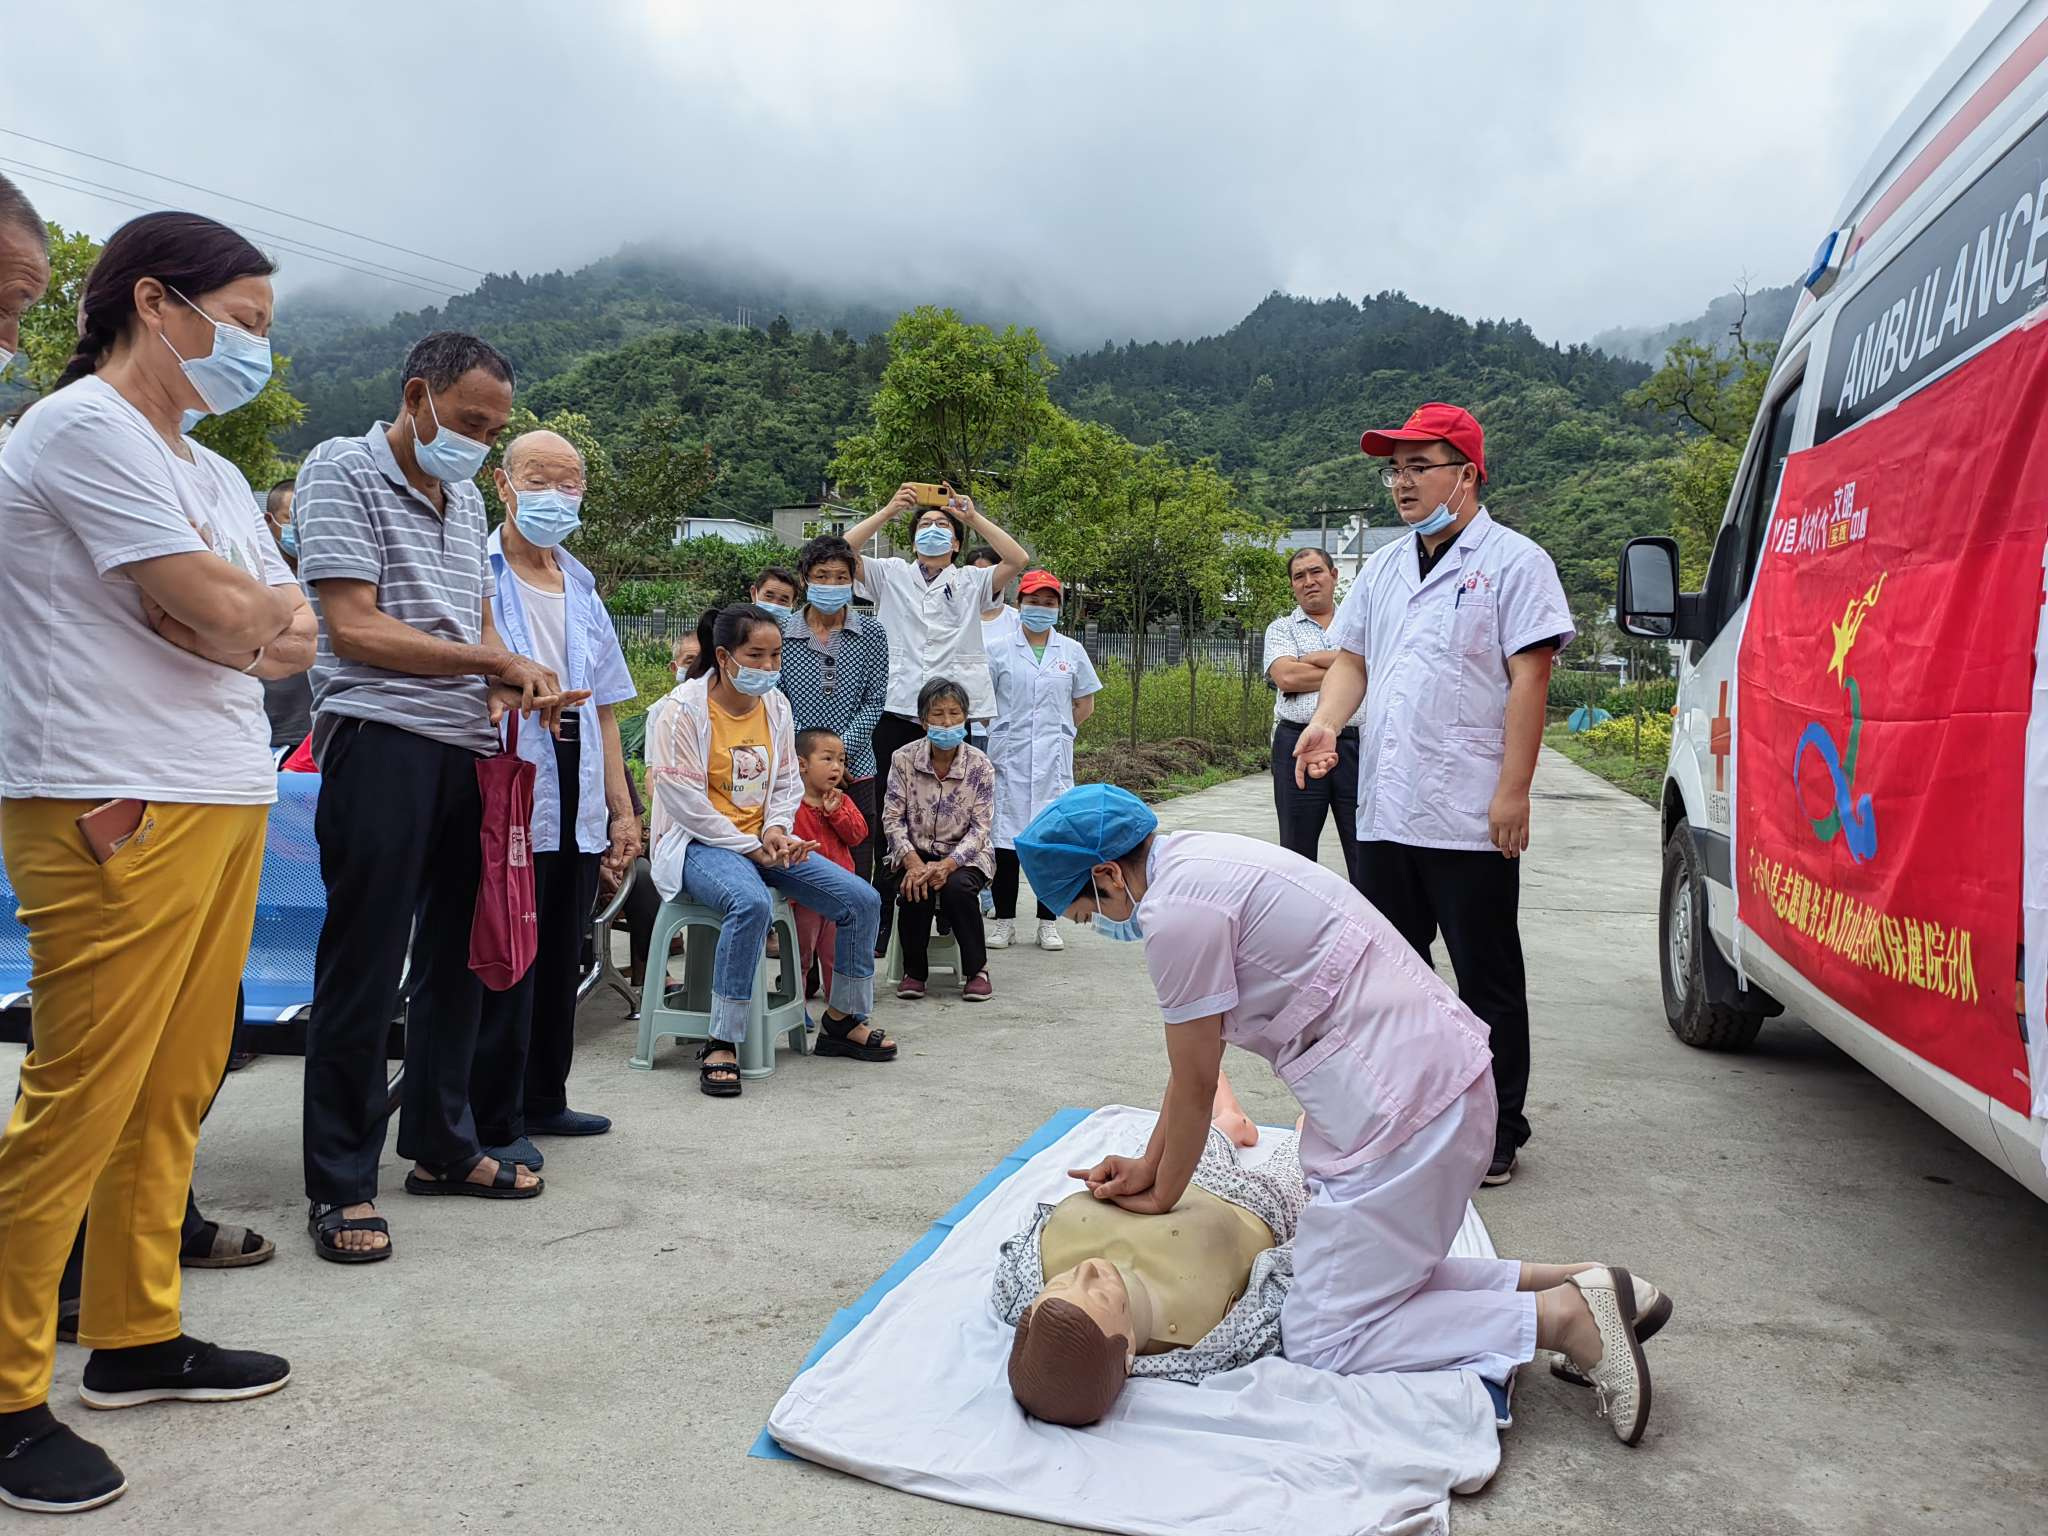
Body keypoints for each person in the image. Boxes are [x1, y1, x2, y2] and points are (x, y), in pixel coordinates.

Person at [1016, 785, 1664, 1446]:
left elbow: (1195, 1082)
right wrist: (1146, 1172)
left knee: (1324, 1332)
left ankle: (1563, 1321)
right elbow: (1190, 1078)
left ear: (1106, 875)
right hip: (1417, 1086)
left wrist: (1160, 1197)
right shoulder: (1197, 863)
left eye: (1087, 912)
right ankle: (1582, 1284)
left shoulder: (1178, 914)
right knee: (1348, 1272)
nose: (1099, 925)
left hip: (1411, 1110)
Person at [0, 203, 311, 1512]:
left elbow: (273, 626)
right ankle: (9, 1394)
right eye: (239, 326)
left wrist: (234, 620)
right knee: (82, 1095)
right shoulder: (80, 429)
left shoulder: (217, 473)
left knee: (174, 1088)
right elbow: (228, 612)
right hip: (108, 799)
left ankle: (133, 1336)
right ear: (153, 303)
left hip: (224, 795)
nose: (252, 353)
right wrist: (236, 619)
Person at [295, 331, 577, 1264]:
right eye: (466, 422)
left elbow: (477, 619)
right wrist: (490, 660)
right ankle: (339, 1183)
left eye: (493, 431)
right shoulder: (341, 469)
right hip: (380, 743)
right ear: (417, 395)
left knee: (461, 960)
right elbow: (354, 627)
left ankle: (442, 1147)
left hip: (463, 747)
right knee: (365, 964)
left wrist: (513, 678)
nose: (478, 443)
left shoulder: (460, 501)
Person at [1294, 404, 1573, 1187]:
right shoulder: (1383, 568)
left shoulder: (1516, 563)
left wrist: (1513, 791)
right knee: (1392, 973)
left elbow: (1531, 679)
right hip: (1385, 809)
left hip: (1468, 810)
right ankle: (1409, 1109)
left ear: (1468, 474)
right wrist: (1325, 722)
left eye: (1421, 465)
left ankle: (1498, 1128)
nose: (1402, 483)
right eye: (1395, 468)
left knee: (1485, 976)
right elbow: (1352, 660)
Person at [471, 429, 640, 1173]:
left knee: (565, 941)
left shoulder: (580, 582)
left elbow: (604, 704)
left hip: (577, 774)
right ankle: (491, 1115)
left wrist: (623, 808)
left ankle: (545, 1095)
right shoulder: (475, 571)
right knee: (508, 952)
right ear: (503, 486)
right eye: (539, 478)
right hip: (505, 777)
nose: (555, 495)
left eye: (569, 484)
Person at [647, 604, 893, 1095]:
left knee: (861, 900)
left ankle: (842, 1021)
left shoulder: (776, 706)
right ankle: (722, 1039)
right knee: (750, 902)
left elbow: (784, 783)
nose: (767, 666)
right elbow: (687, 805)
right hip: (699, 844)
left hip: (762, 843)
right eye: (754, 655)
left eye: (775, 655)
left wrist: (777, 830)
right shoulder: (679, 712)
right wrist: (751, 846)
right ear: (723, 656)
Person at [838, 484, 1028, 949]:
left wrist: (972, 515)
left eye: (943, 527)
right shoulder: (891, 574)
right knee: (891, 811)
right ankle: (884, 916)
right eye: (925, 525)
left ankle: (947, 909)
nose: (934, 531)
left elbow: (1017, 559)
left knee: (957, 808)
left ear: (958, 543)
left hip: (952, 715)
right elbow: (841, 552)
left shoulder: (971, 582)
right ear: (912, 538)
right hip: (897, 705)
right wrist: (889, 509)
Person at [985, 571, 1101, 952]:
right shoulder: (999, 648)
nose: (1041, 609)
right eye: (1034, 602)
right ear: (1020, 604)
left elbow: (1084, 703)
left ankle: (1047, 922)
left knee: (1051, 843)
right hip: (1008, 758)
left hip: (1053, 760)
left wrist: (1061, 730)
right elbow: (984, 703)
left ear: (1059, 609)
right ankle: (1003, 921)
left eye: (1049, 603)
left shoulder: (1071, 651)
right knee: (1006, 843)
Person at [775, 534, 890, 883]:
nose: (832, 583)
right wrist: (809, 761)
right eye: (822, 575)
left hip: (858, 770)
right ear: (805, 578)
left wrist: (837, 759)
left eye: (841, 577)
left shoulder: (871, 632)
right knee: (800, 869)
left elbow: (874, 702)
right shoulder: (781, 632)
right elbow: (777, 704)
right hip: (797, 772)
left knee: (855, 870)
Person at [882, 678, 997, 1002]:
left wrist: (948, 865)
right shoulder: (903, 759)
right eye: (938, 714)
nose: (947, 722)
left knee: (957, 888)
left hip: (966, 855)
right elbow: (892, 818)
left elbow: (981, 828)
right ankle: (914, 972)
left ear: (965, 718)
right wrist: (914, 862)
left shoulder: (980, 765)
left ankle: (977, 970)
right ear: (923, 721)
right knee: (913, 886)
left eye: (954, 714)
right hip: (913, 850)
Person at [1263, 547, 1365, 885]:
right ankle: (1299, 926)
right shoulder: (1281, 628)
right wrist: (1351, 670)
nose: (1309, 581)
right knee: (1296, 849)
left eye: (1316, 571)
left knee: (1364, 845)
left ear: (1334, 576)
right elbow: (1287, 678)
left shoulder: (1360, 625)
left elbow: (1378, 670)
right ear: (1292, 585)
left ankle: (1370, 927)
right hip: (1296, 742)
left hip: (1357, 745)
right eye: (1299, 576)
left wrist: (1314, 658)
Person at [790, 728, 869, 1010]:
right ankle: (795, 1012)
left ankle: (842, 1011)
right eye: (827, 759)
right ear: (802, 764)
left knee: (836, 956)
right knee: (799, 955)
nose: (837, 767)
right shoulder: (789, 805)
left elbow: (858, 834)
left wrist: (837, 814)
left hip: (839, 895)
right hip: (804, 900)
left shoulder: (842, 801)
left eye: (841, 760)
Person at [259, 479, 313, 756]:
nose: (302, 528)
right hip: (270, 730)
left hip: (316, 728)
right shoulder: (254, 579)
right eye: (291, 518)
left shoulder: (333, 581)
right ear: (269, 521)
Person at [966, 544, 1016, 755]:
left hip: (1005, 730)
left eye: (989, 573)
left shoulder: (1018, 621)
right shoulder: (958, 619)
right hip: (960, 726)